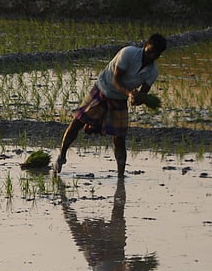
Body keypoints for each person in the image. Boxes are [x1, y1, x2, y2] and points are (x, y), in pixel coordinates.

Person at [54, 33, 167, 178]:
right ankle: (61, 156)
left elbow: (142, 93)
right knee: (78, 121)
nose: (151, 56)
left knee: (119, 138)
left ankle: (120, 176)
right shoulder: (128, 53)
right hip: (103, 88)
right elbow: (115, 80)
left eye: (156, 54)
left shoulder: (152, 72)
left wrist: (138, 99)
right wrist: (129, 93)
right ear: (145, 45)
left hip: (119, 99)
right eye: (150, 51)